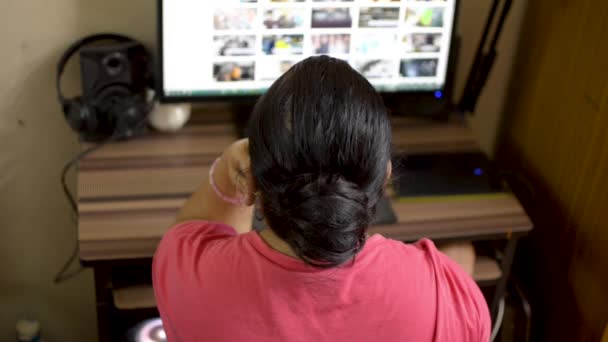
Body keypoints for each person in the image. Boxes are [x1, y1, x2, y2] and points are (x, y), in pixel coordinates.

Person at [153, 56, 490, 341]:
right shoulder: (447, 297)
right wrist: (452, 271)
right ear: (383, 177)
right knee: (462, 248)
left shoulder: (190, 278)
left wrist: (229, 168)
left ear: (255, 179)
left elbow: (193, 232)